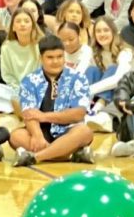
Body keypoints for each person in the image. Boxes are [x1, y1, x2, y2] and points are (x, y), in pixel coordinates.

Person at [9, 33, 95, 167]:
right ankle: (68, 154)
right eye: (50, 57)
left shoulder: (78, 78)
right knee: (15, 136)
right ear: (41, 58)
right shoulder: (29, 80)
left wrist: (44, 116)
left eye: (60, 57)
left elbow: (78, 114)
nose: (56, 61)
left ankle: (36, 157)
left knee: (84, 132)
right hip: (41, 133)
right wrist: (37, 135)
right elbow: (28, 114)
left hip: (68, 131)